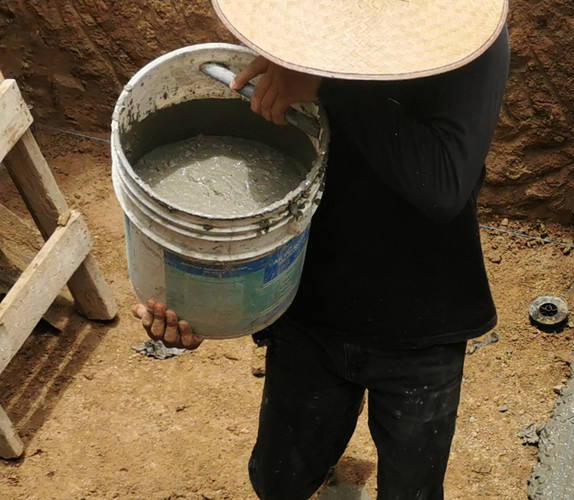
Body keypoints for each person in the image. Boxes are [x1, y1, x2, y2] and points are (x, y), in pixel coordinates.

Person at [131, 1, 510, 498]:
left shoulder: (468, 39)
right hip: (311, 304)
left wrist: (328, 86)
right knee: (278, 481)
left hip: (421, 322)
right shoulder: (303, 17)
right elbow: (263, 169)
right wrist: (201, 302)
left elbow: (444, 184)